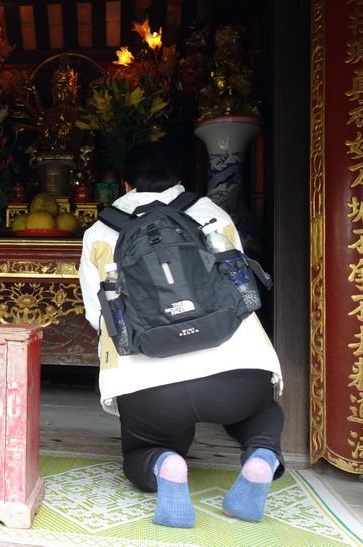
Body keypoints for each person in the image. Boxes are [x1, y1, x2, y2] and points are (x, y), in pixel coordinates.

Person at [78, 142, 285, 529]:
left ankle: (165, 464)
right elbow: (240, 286)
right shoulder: (211, 213)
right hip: (237, 371)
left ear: (125, 186)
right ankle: (260, 455)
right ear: (178, 180)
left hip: (150, 386)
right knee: (259, 412)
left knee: (144, 448)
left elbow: (97, 316)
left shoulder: (99, 232)